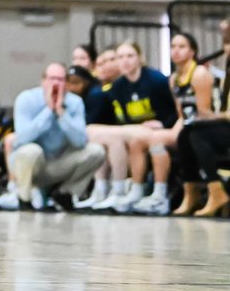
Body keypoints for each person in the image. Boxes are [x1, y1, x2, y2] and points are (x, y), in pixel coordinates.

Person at [130, 31, 215, 216]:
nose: (176, 51)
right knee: (138, 139)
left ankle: (160, 196)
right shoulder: (174, 79)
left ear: (192, 51)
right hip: (185, 125)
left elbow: (204, 111)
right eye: (173, 47)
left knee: (157, 141)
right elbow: (180, 114)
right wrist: (168, 130)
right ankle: (136, 191)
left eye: (182, 47)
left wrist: (171, 133)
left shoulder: (199, 73)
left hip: (204, 127)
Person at [8, 63, 105, 210]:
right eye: (52, 78)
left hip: (58, 163)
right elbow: (21, 138)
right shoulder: (26, 99)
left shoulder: (75, 102)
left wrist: (61, 113)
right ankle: (24, 197)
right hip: (29, 164)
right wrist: (48, 111)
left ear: (66, 83)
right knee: (31, 151)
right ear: (43, 81)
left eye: (61, 79)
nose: (56, 84)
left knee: (96, 151)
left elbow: (80, 141)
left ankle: (65, 193)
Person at [106, 39, 179, 214]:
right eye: (120, 57)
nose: (125, 61)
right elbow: (123, 118)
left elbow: (175, 112)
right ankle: (134, 190)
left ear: (140, 58)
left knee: (148, 141)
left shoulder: (157, 80)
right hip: (138, 134)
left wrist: (161, 123)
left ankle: (159, 194)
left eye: (130, 56)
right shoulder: (118, 87)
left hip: (165, 130)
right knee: (129, 141)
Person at [75, 46, 132, 211]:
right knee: (98, 137)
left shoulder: (125, 84)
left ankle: (118, 191)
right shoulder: (99, 90)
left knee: (105, 136)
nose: (105, 65)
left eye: (111, 60)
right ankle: (101, 190)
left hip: (132, 130)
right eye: (101, 63)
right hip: (116, 131)